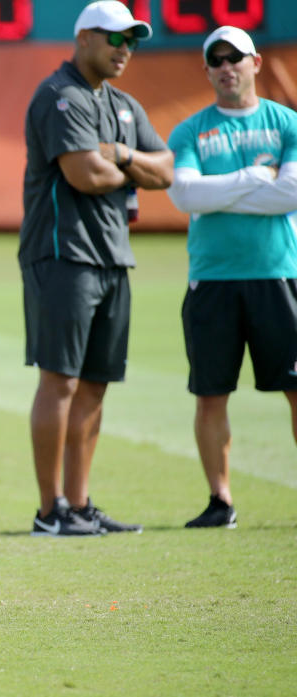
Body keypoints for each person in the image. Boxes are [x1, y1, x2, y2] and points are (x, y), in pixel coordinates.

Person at [19, 0, 174, 536]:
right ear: (84, 37)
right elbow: (85, 174)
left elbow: (168, 169)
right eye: (115, 38)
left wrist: (123, 157)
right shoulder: (59, 96)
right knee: (59, 381)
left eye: (131, 40)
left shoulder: (124, 104)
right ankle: (50, 511)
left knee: (95, 385)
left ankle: (80, 505)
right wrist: (127, 164)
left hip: (111, 255)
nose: (124, 49)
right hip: (63, 254)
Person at [166, 26, 297, 529]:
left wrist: (221, 191)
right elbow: (186, 196)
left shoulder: (286, 124)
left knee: (294, 386)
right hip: (212, 280)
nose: (226, 67)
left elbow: (290, 195)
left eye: (235, 58)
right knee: (211, 392)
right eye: (216, 60)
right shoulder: (191, 131)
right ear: (207, 70)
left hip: (278, 274)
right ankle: (220, 501)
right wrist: (253, 178)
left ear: (255, 63)